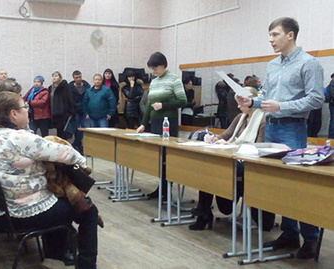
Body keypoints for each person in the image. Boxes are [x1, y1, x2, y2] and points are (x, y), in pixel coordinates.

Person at [237, 17, 324, 259]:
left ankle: (311, 238)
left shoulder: (309, 64)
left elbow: (317, 99)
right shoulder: (273, 65)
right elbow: (266, 96)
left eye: (275, 35)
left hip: (292, 128)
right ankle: (289, 233)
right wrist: (251, 101)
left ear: (291, 35)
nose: (271, 40)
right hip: (272, 127)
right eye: (270, 35)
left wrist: (282, 106)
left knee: (296, 185)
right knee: (278, 184)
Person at [0, 91, 99, 268]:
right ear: (13, 114)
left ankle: (53, 259)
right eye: (24, 107)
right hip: (23, 212)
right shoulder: (21, 138)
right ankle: (86, 266)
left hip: (2, 211)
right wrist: (83, 164)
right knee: (89, 210)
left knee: (57, 200)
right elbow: (66, 153)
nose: (27, 110)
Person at [189, 87, 274, 231]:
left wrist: (229, 145)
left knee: (215, 167)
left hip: (250, 164)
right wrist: (214, 138)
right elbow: (225, 136)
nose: (238, 106)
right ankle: (203, 212)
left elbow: (257, 148)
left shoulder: (263, 120)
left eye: (241, 103)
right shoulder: (240, 117)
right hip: (235, 159)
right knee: (209, 166)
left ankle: (204, 212)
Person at [136, 51, 187, 199]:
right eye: (152, 69)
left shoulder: (174, 80)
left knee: (167, 157)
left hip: (168, 123)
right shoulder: (154, 81)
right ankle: (161, 187)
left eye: (155, 68)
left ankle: (166, 189)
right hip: (156, 123)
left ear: (163, 65)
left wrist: (163, 105)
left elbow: (183, 101)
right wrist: (144, 124)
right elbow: (151, 104)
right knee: (158, 157)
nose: (154, 71)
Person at [69, 70, 91, 153]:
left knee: (84, 128)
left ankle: (77, 144)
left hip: (85, 111)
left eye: (80, 77)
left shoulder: (87, 86)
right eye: (76, 78)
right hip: (75, 111)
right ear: (74, 78)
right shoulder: (70, 87)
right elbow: (69, 100)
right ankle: (78, 145)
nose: (78, 79)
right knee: (77, 129)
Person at [48, 71, 74, 139]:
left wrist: (70, 111)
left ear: (60, 77)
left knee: (63, 133)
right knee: (58, 132)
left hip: (63, 113)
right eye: (53, 76)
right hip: (54, 113)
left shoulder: (64, 86)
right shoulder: (50, 88)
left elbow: (69, 98)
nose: (54, 78)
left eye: (56, 76)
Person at [326, 73, 334, 138]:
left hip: (332, 105)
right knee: (333, 122)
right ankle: (331, 137)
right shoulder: (331, 86)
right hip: (333, 105)